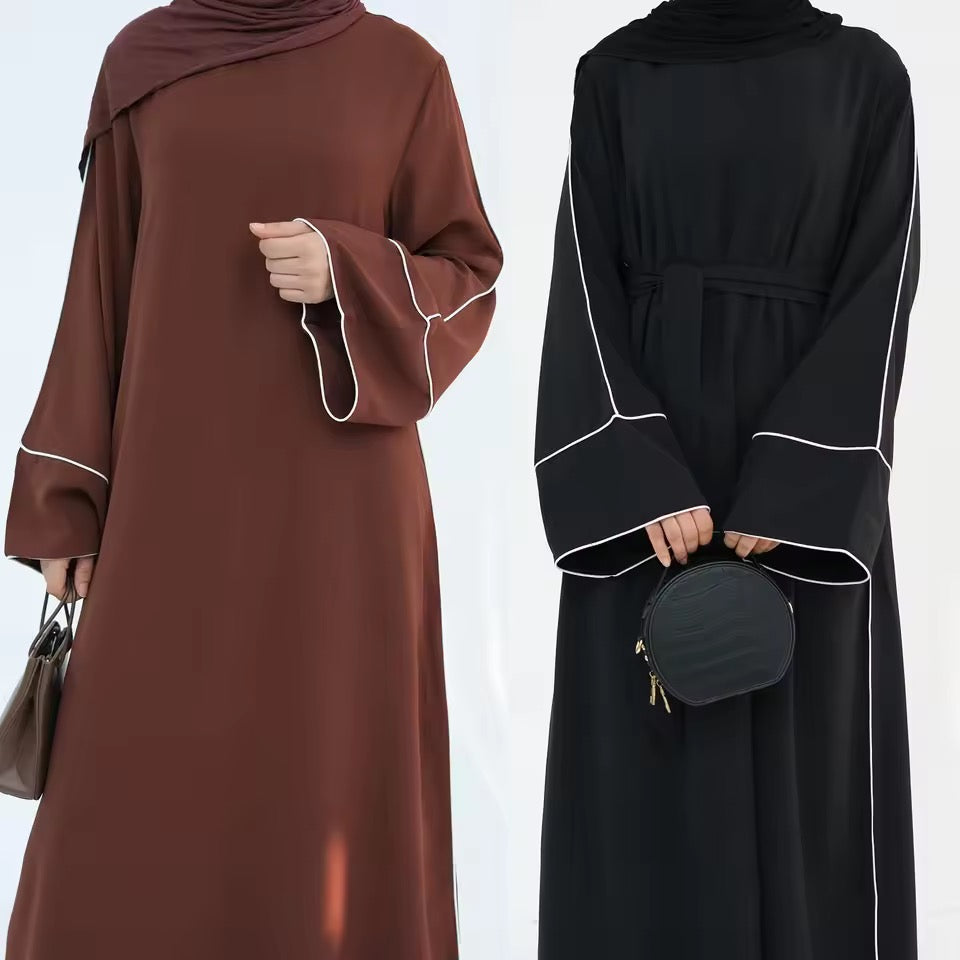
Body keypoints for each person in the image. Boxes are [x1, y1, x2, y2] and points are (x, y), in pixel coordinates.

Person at [3, 1, 501, 957]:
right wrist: (66, 504)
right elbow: (99, 288)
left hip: (344, 514)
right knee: (135, 789)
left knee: (323, 778)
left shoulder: (405, 70)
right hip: (169, 496)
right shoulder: (146, 62)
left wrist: (349, 269)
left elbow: (468, 272)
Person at [534, 2, 920, 958]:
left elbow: (883, 281)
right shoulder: (614, 73)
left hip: (800, 507)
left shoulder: (866, 77)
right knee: (641, 795)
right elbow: (583, 280)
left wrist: (800, 477)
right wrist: (634, 467)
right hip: (651, 488)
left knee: (808, 792)